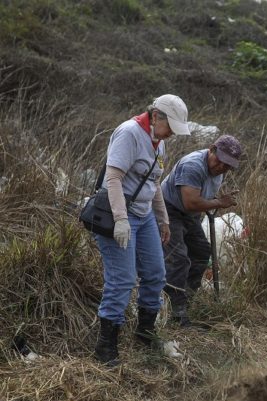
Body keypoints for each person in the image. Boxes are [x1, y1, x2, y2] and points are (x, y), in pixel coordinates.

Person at [93, 94, 191, 366]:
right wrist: (121, 219)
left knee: (156, 274)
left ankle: (145, 332)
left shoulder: (158, 143)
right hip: (117, 213)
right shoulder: (129, 133)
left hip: (144, 215)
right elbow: (113, 178)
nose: (172, 133)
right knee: (122, 279)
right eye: (170, 126)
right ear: (156, 116)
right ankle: (106, 347)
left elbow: (154, 183)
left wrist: (163, 220)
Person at [161, 134, 243, 326]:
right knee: (178, 257)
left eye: (228, 165)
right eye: (220, 161)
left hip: (190, 214)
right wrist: (219, 203)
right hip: (169, 210)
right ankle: (173, 310)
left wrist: (212, 202)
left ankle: (184, 302)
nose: (223, 168)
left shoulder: (220, 170)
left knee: (201, 253)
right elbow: (190, 203)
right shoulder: (193, 166)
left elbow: (199, 200)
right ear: (212, 149)